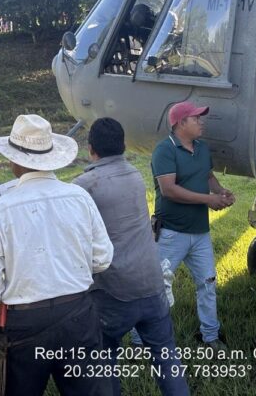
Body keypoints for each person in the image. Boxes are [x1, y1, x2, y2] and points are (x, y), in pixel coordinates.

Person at [0, 114, 113, 396]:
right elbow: (103, 258)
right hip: (79, 314)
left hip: (24, 323)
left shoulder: (1, 210)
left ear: (16, 161)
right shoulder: (78, 197)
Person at [73, 117, 190, 396]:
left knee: (105, 360)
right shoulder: (135, 175)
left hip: (112, 289)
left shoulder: (83, 186)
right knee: (166, 359)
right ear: (124, 145)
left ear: (91, 149)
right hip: (151, 283)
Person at [151, 101, 235, 351]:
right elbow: (169, 190)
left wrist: (221, 192)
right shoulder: (164, 150)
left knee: (208, 283)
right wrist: (209, 200)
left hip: (200, 233)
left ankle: (210, 336)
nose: (202, 122)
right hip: (171, 233)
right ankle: (140, 339)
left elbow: (207, 176)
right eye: (196, 118)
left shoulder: (201, 148)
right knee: (157, 288)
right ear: (180, 124)